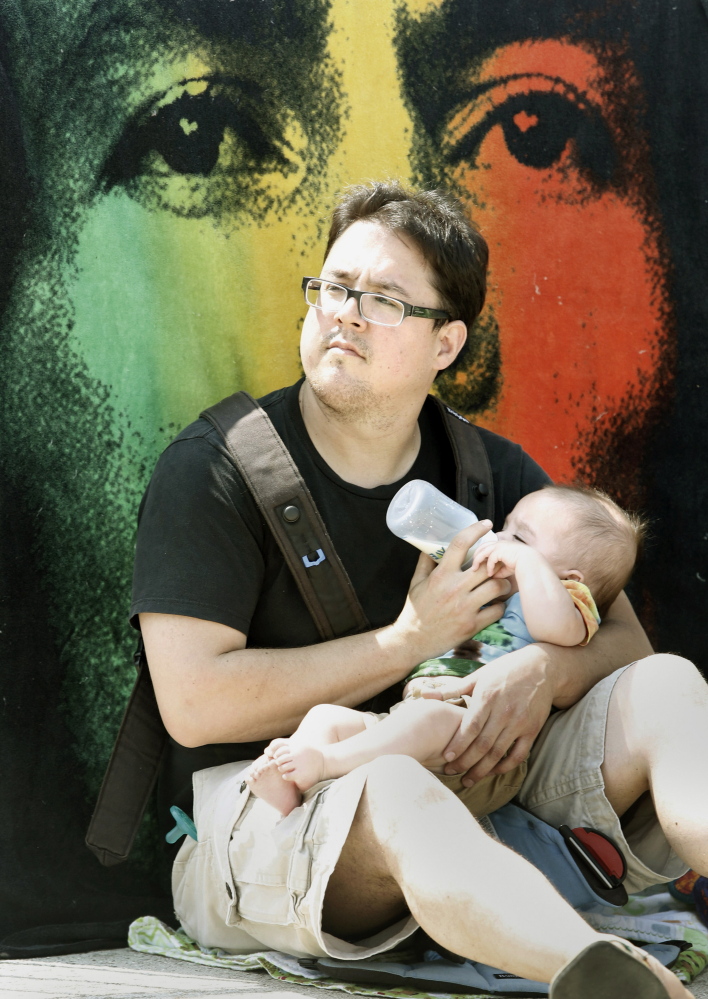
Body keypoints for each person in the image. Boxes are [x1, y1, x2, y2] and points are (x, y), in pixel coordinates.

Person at [134, 181, 706, 997]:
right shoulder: (213, 471)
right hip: (280, 804)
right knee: (394, 782)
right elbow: (193, 703)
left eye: (385, 300)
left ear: (447, 343)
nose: (345, 312)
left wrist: (537, 672)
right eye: (334, 287)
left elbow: (623, 644)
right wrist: (408, 641)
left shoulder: (490, 472)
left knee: (670, 684)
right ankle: (601, 978)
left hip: (483, 791)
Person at [243, 483, 646, 818]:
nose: (499, 541)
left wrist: (527, 566)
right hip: (409, 719)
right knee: (326, 716)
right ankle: (291, 785)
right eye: (505, 528)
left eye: (520, 539)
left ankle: (326, 764)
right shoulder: (488, 589)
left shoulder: (566, 606)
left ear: (570, 579)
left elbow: (556, 628)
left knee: (428, 719)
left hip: (475, 742)